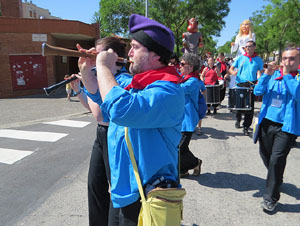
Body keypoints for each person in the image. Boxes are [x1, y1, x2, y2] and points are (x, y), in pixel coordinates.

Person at [94, 14, 185, 225]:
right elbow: (103, 97)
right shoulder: (138, 84)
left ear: (154, 55)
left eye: (135, 47)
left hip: (146, 196)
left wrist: (103, 67)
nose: (129, 53)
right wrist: (88, 68)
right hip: (123, 191)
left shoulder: (168, 91)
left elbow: (120, 109)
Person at [72, 37, 132, 226]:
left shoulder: (123, 80)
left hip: (115, 136)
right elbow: (96, 101)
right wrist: (85, 69)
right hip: (101, 135)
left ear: (113, 56)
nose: (94, 57)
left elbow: (99, 113)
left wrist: (91, 74)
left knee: (116, 189)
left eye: (97, 54)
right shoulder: (101, 75)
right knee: (95, 186)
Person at [254, 44, 300, 212]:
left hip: (287, 126)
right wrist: (266, 75)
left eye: (292, 58)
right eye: (285, 58)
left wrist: (287, 76)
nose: (287, 61)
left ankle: (271, 197)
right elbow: (258, 91)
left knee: (276, 159)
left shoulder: (296, 77)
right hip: (267, 121)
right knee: (265, 155)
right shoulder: (273, 75)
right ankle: (276, 178)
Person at [227, 40, 263, 135]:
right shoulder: (241, 58)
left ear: (254, 47)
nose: (247, 48)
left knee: (249, 108)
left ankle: (246, 127)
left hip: (251, 85)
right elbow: (231, 69)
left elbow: (260, 72)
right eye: (246, 46)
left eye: (249, 46)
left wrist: (259, 80)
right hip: (240, 85)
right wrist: (233, 72)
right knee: (239, 107)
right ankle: (238, 120)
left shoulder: (258, 59)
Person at [178, 53, 203, 177]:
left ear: (191, 66)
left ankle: (195, 162)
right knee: (182, 147)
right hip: (179, 119)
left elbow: (179, 89)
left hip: (187, 120)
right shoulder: (183, 77)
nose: (180, 66)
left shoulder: (192, 81)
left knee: (179, 147)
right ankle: (184, 169)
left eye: (183, 64)